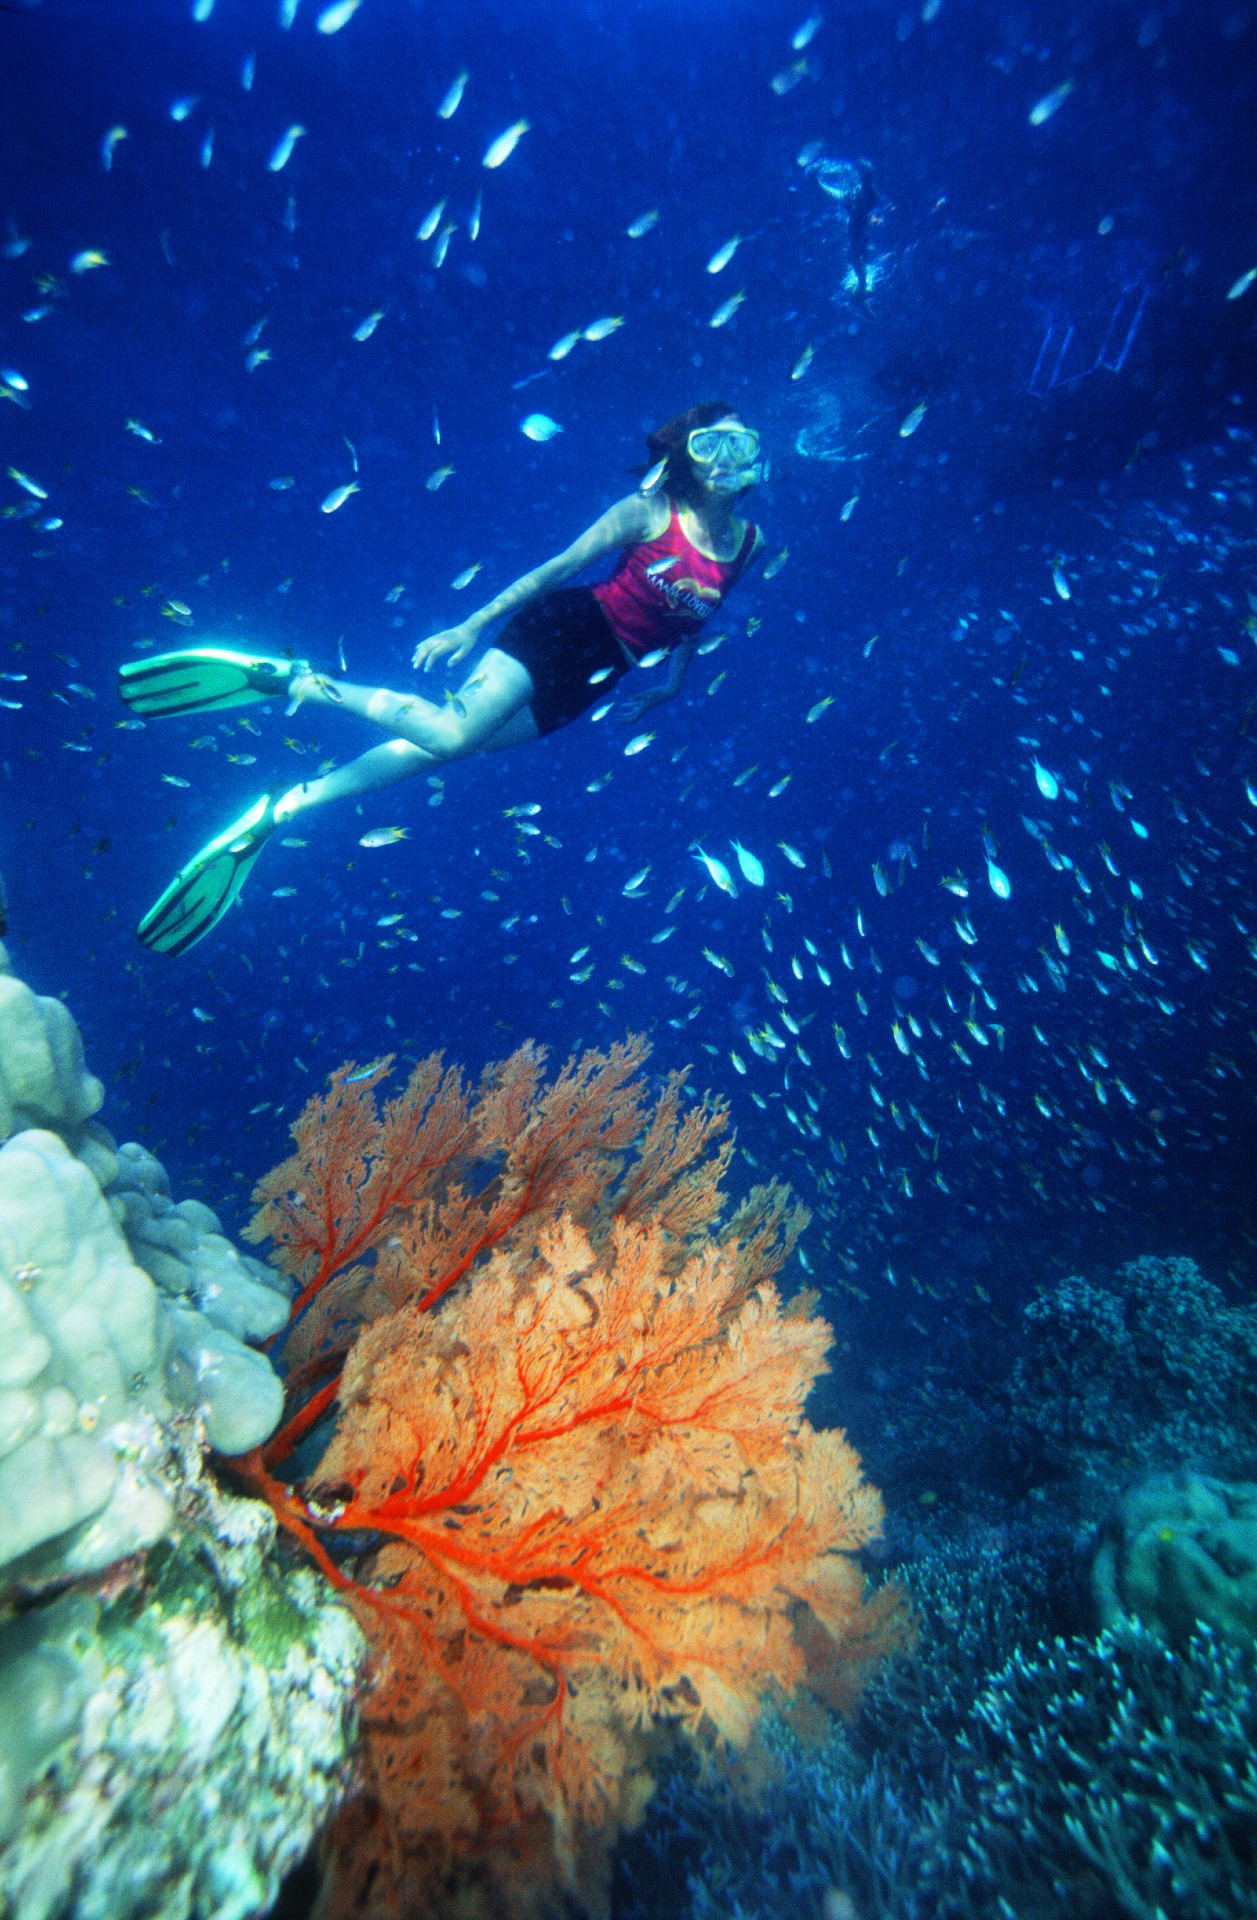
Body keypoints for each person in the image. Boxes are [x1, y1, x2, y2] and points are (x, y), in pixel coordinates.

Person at [121, 403, 766, 955]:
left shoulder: (749, 541)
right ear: (686, 456)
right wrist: (470, 625)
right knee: (454, 735)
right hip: (565, 630)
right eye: (712, 443)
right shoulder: (647, 511)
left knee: (442, 750)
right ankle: (289, 680)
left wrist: (674, 681)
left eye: (743, 441)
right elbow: (555, 568)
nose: (728, 456)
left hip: (604, 676)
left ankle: (285, 806)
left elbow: (696, 615)